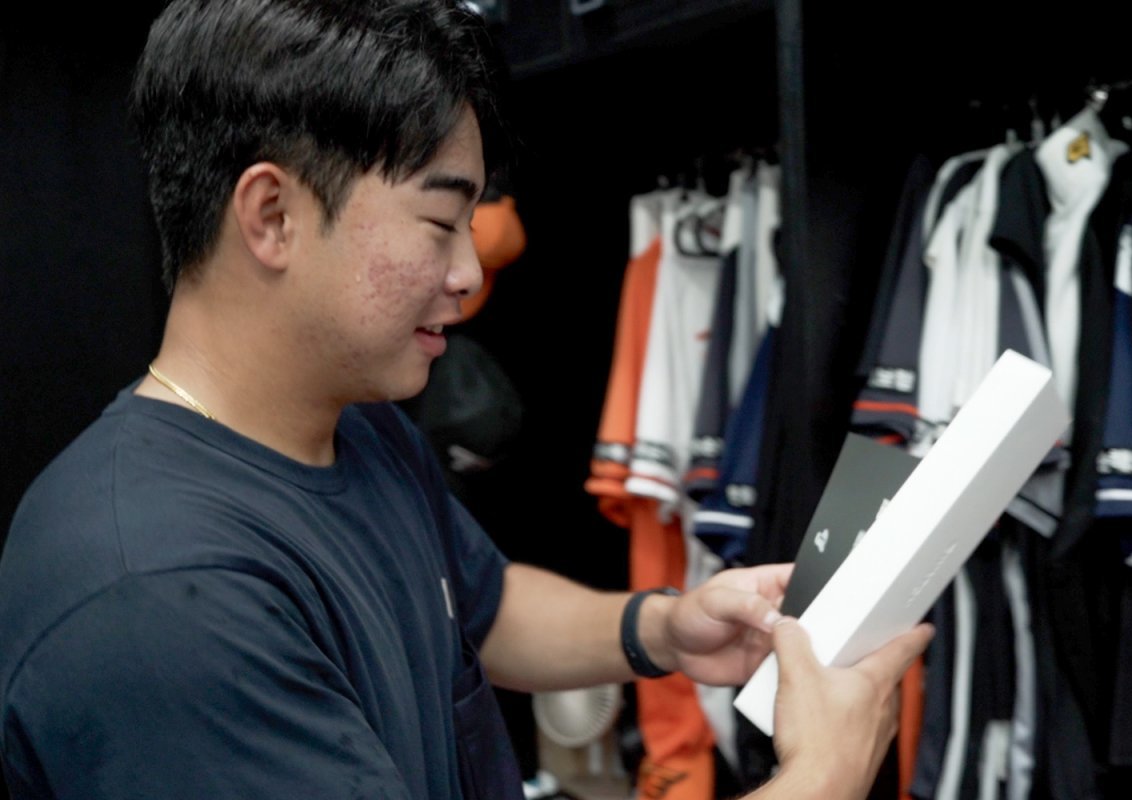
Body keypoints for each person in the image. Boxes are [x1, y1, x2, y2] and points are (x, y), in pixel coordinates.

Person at [0, 1, 932, 798]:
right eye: (441, 222)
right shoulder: (157, 597)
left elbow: (478, 610)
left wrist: (664, 627)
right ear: (273, 216)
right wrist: (819, 780)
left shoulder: (355, 425)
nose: (468, 270)